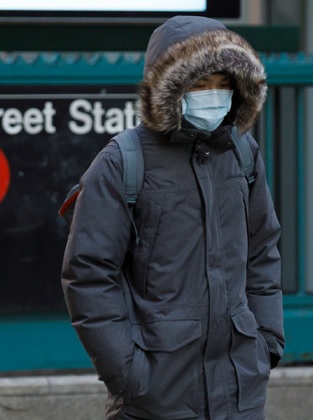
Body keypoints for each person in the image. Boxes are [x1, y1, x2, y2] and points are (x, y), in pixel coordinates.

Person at [61, 15, 285, 420]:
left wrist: (266, 342)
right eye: (200, 84)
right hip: (154, 399)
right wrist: (129, 375)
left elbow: (262, 250)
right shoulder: (121, 161)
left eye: (223, 84)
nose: (213, 95)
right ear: (170, 87)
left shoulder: (243, 153)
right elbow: (90, 274)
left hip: (239, 393)